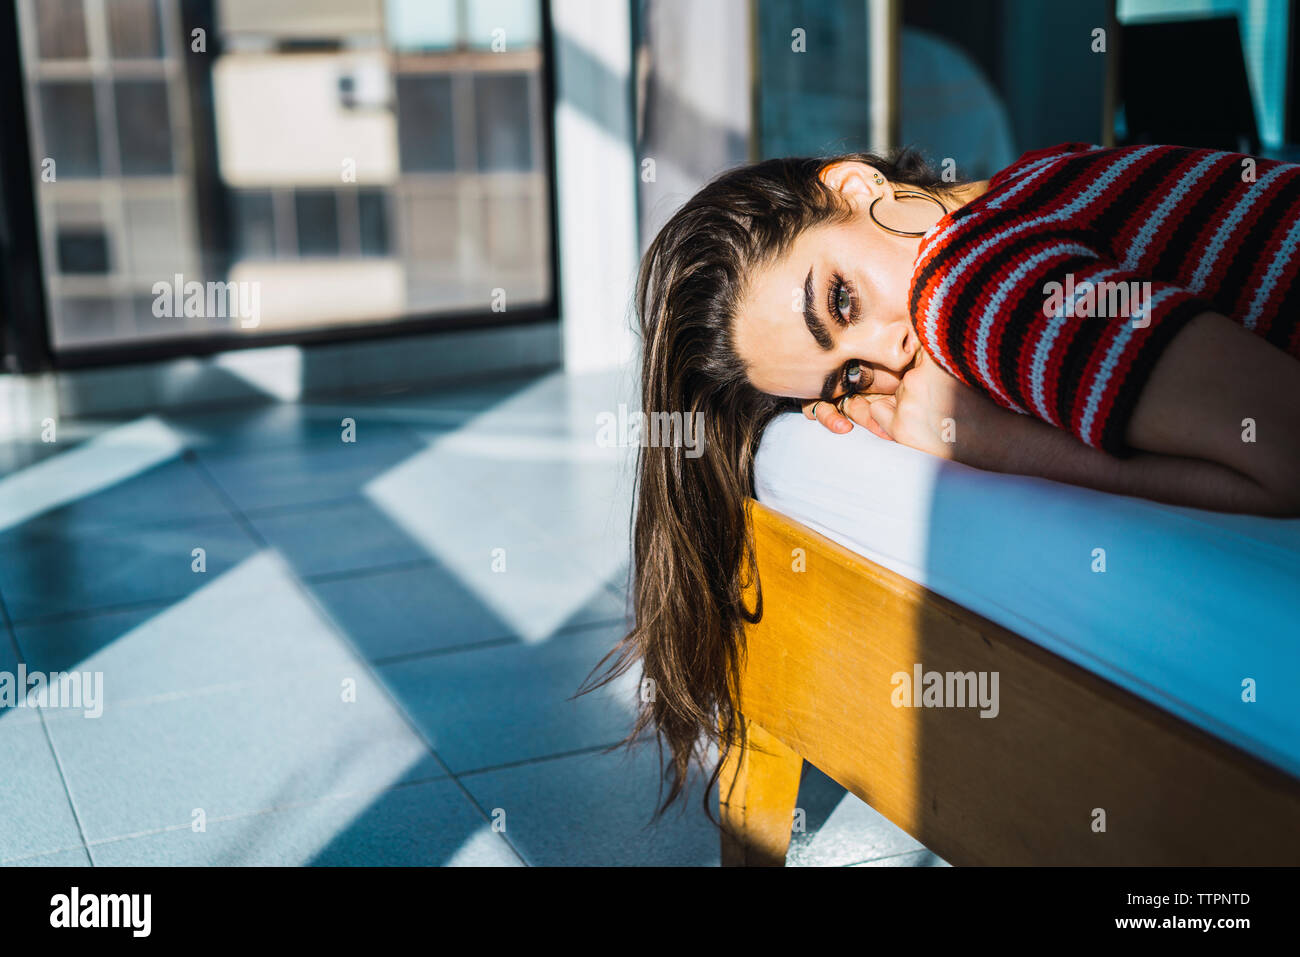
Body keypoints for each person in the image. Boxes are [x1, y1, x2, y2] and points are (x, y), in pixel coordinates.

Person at [583, 142, 1300, 817]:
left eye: (840, 301)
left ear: (858, 186)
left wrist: (994, 442)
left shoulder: (964, 277)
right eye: (848, 378)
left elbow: (1284, 449)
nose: (891, 359)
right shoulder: (1042, 173)